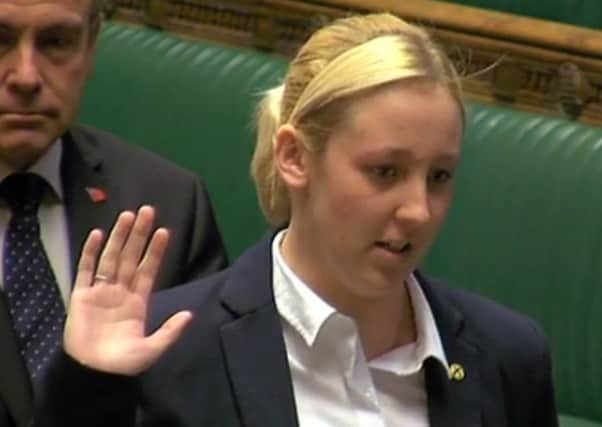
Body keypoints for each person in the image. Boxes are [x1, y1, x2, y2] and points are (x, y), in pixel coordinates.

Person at [34, 12, 558, 427]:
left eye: (440, 177)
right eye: (385, 171)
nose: (418, 210)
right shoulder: (164, 347)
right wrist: (87, 389)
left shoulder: (507, 355)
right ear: (295, 158)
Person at [0, 1, 227, 426]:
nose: (26, 77)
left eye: (56, 42)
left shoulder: (169, 205)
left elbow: (204, 405)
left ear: (91, 44)